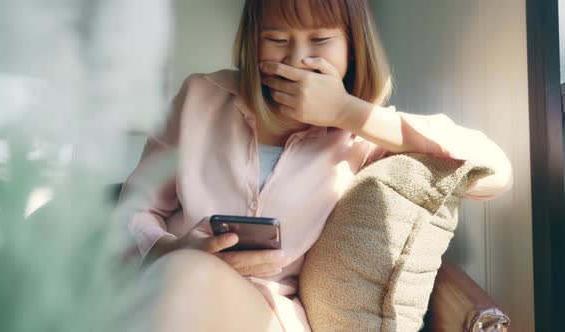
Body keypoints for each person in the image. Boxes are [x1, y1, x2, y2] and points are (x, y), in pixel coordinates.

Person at [117, 0, 513, 331]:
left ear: (351, 47)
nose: (297, 58)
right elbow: (132, 210)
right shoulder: (201, 97)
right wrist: (172, 249)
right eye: (276, 40)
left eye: (320, 39)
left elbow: (493, 171)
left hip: (267, 315)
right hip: (165, 295)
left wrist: (347, 112)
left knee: (188, 276)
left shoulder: (365, 137)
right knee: (183, 273)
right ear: (253, 44)